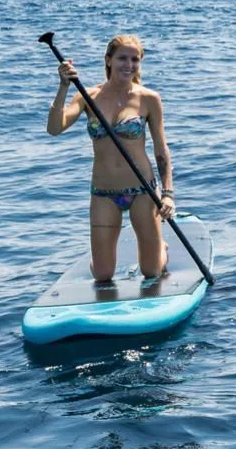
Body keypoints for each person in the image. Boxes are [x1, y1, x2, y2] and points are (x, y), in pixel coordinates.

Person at [47, 34, 175, 284]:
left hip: (143, 191)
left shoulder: (149, 98)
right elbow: (54, 128)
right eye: (122, 59)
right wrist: (63, 86)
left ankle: (161, 248)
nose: (129, 65)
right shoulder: (87, 96)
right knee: (104, 274)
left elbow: (161, 150)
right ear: (108, 60)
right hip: (103, 193)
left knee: (151, 271)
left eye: (135, 59)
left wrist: (168, 193)